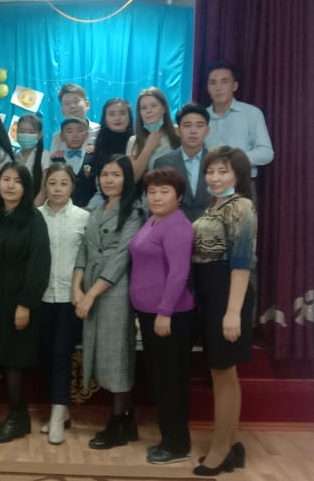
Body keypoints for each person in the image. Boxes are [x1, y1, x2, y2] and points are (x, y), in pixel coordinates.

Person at [190, 147, 257, 476]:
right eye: (211, 171)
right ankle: (233, 443)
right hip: (209, 290)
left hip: (227, 292)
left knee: (223, 371)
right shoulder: (214, 205)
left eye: (223, 171)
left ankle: (221, 450)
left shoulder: (241, 206)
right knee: (222, 371)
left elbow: (241, 263)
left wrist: (232, 312)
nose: (215, 178)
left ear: (238, 175)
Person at [72, 155, 144, 450]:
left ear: (127, 178)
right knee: (101, 353)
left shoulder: (134, 212)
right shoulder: (96, 209)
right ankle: (128, 420)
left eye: (116, 175)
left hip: (115, 290)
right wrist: (77, 288)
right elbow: (84, 251)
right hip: (90, 284)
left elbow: (121, 258)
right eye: (104, 174)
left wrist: (90, 295)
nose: (109, 180)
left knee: (117, 356)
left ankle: (118, 422)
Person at [129, 167, 197, 465]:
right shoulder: (154, 220)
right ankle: (169, 439)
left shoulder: (177, 225)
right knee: (161, 379)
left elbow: (179, 273)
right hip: (150, 313)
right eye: (152, 191)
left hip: (170, 315)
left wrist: (164, 312)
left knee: (171, 381)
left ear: (179, 197)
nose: (156, 197)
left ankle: (177, 445)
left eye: (164, 191)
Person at [0, 162, 52, 444]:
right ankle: (18, 418)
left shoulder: (34, 219)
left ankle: (16, 418)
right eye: (5, 179)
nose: (10, 185)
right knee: (2, 357)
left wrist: (25, 304)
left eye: (17, 181)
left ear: (26, 187)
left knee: (15, 361)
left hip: (19, 299)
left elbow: (39, 264)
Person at [35, 162, 89, 445]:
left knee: (61, 355)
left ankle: (57, 414)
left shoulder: (83, 218)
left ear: (72, 187)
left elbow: (89, 258)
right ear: (45, 186)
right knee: (45, 355)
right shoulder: (35, 216)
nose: (57, 189)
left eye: (63, 183)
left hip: (70, 298)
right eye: (52, 183)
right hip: (41, 297)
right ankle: (61, 409)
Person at [205, 61, 274, 179]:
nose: (218, 88)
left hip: (242, 182)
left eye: (224, 82)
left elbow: (266, 152)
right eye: (213, 83)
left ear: (235, 86)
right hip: (208, 182)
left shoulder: (251, 113)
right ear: (208, 87)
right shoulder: (201, 116)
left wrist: (235, 160)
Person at [153, 103, 213, 221]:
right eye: (187, 125)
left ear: (207, 131)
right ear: (178, 131)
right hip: (174, 227)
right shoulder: (162, 163)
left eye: (199, 125)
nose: (193, 131)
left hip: (211, 228)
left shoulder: (217, 161)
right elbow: (157, 203)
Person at [81, 98, 134, 209]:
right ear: (105, 119)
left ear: (129, 116)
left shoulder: (138, 141)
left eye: (122, 113)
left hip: (134, 199)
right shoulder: (99, 144)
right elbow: (98, 187)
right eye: (112, 114)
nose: (117, 118)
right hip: (103, 199)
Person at [127, 87, 181, 178]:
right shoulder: (134, 141)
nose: (149, 111)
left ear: (164, 108)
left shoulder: (178, 132)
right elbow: (132, 177)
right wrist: (148, 148)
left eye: (153, 106)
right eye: (144, 108)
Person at [49, 83, 100, 155]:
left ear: (87, 105)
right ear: (62, 110)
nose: (72, 106)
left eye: (76, 101)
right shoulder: (57, 137)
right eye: (67, 103)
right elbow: (53, 161)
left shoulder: (100, 131)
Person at [57, 118, 96, 208]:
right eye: (69, 131)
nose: (75, 136)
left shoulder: (94, 157)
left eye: (80, 130)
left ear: (86, 135)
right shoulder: (56, 159)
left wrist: (90, 207)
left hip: (91, 209)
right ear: (62, 136)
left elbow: (99, 187)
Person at [12, 114, 50, 204]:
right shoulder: (14, 157)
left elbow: (44, 189)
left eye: (31, 132)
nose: (26, 135)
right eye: (22, 131)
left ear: (40, 135)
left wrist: (32, 209)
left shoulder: (45, 156)